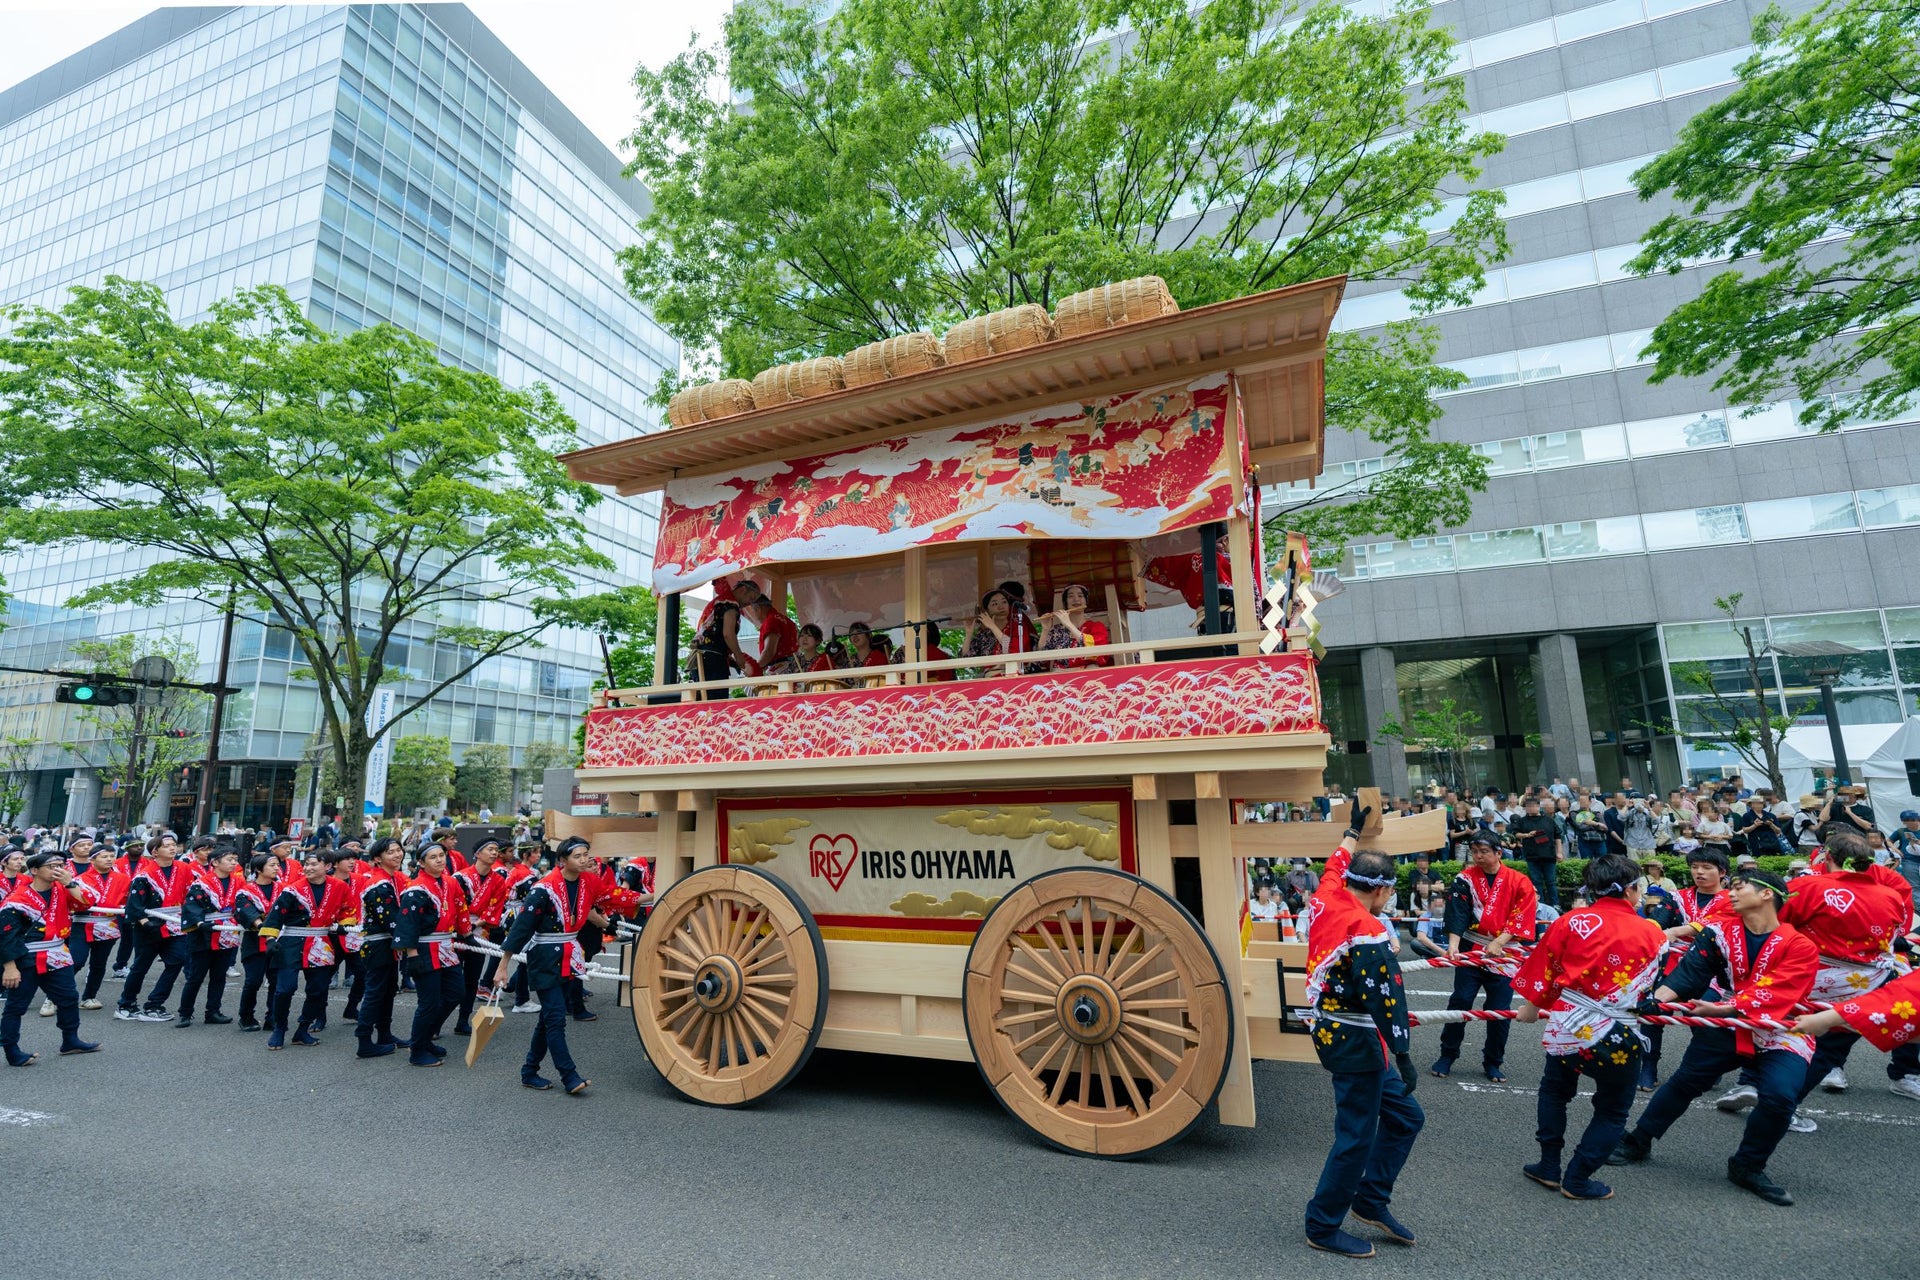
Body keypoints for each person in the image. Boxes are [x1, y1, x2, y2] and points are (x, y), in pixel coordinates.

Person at [1608, 868, 1816, 1205]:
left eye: (1740, 886)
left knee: (1779, 1097)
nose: (1731, 893)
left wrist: (1727, 1008)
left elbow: (1781, 990)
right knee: (1686, 1081)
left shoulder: (1800, 945)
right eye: (1730, 887)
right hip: (1726, 1021)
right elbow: (1691, 973)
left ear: (1767, 894)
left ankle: (1747, 1165)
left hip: (1781, 1026)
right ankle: (1638, 1140)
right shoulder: (1718, 932)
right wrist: (1656, 999)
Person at [1512, 854, 1668, 1200]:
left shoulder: (1570, 921)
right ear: (1631, 890)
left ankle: (1549, 1166)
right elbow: (1654, 985)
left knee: (1555, 1092)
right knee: (1613, 1108)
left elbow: (1547, 969)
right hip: (1619, 1032)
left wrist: (1533, 1006)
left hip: (1569, 1025)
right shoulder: (1652, 933)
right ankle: (1578, 1178)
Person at [1300, 821, 1421, 1259]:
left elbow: (1334, 864)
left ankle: (1370, 1199)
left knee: (1407, 1117)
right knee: (1355, 1135)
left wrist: (1352, 830)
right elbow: (1385, 998)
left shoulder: (1326, 897)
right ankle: (1322, 1224)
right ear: (1384, 891)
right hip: (1355, 1039)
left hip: (1341, 1027)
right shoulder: (1366, 930)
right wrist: (1404, 1054)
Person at [1773, 830, 1911, 1119]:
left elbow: (1777, 926)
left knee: (1797, 1039)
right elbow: (1895, 935)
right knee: (1827, 1045)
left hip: (1811, 977)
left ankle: (1777, 1104)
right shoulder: (1890, 895)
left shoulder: (1805, 886)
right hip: (1867, 983)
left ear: (1829, 856)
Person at [495, 837, 601, 1096]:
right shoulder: (543, 888)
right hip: (544, 957)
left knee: (548, 1018)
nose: (585, 859)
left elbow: (616, 897)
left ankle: (529, 1070)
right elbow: (522, 927)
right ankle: (569, 1075)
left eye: (586, 854)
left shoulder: (589, 882)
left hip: (569, 954)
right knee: (555, 1018)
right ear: (562, 861)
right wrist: (503, 965)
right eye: (578, 856)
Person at [1430, 831, 1538, 1083]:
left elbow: (1523, 913)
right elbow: (1457, 913)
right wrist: (1453, 947)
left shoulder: (1519, 881)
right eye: (1474, 852)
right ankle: (1447, 1054)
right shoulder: (1465, 878)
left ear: (1498, 853)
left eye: (1484, 851)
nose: (1477, 856)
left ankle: (1493, 1061)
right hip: (1471, 946)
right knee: (1460, 1001)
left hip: (1504, 951)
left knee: (1499, 1009)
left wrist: (1500, 941)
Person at [0, 850, 99, 1065]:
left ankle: (70, 1040)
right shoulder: (17, 899)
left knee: (69, 998)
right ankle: (11, 1050)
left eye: (61, 865)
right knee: (16, 1006)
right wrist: (9, 967)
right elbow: (5, 935)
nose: (58, 870)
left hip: (57, 953)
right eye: (52, 866)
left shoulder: (62, 890)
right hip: (26, 956)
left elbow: (88, 902)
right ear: (35, 870)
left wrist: (71, 883)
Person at [260, 850, 351, 1050]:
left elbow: (347, 908)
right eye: (306, 864)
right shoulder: (292, 890)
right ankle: (279, 1028)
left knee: (318, 990)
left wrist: (345, 923)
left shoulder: (340, 887)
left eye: (314, 864)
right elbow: (275, 916)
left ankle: (303, 1028)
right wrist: (270, 939)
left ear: (328, 867)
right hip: (292, 941)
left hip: (321, 941)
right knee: (285, 989)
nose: (308, 868)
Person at [395, 839, 470, 1067]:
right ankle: (417, 1050)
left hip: (446, 946)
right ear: (421, 862)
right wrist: (412, 954)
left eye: (441, 856)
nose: (439, 860)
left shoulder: (449, 882)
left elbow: (460, 908)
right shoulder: (415, 889)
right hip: (424, 948)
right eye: (433, 857)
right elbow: (407, 924)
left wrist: (466, 933)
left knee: (456, 993)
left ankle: (426, 1037)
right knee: (428, 1002)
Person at [117, 833, 193, 1022]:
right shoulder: (144, 875)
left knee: (177, 961)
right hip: (150, 924)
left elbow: (189, 892)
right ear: (155, 851)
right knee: (141, 966)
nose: (173, 848)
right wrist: (145, 923)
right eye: (167, 845)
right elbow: (134, 905)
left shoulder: (184, 868)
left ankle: (154, 1004)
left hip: (175, 923)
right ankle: (126, 1004)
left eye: (174, 844)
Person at [350, 836, 409, 1058]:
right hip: (378, 944)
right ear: (377, 858)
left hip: (388, 943)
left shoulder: (392, 879)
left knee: (387, 990)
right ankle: (364, 1040)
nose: (397, 854)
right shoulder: (378, 883)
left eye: (398, 850)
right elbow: (392, 920)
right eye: (390, 852)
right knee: (375, 992)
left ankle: (384, 1033)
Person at [175, 845, 243, 1027]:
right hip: (204, 933)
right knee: (196, 976)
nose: (234, 863)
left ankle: (213, 1011)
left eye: (235, 859)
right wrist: (199, 923)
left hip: (227, 932)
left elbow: (244, 904)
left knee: (219, 976)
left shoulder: (239, 882)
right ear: (215, 862)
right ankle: (185, 1013)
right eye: (230, 859)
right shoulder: (201, 883)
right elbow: (190, 906)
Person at [68, 838, 126, 1011]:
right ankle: (55, 995)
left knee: (99, 964)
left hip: (108, 924)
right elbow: (72, 901)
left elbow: (125, 900)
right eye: (103, 857)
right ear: (92, 860)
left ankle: (89, 997)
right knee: (76, 961)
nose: (109, 859)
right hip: (82, 924)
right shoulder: (79, 880)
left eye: (111, 856)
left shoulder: (122, 878)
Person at [232, 853, 279, 1032]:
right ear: (258, 869)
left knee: (276, 981)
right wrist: (261, 925)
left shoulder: (283, 889)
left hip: (277, 941)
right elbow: (245, 911)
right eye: (272, 865)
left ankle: (272, 1017)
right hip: (254, 941)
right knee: (253, 981)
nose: (276, 868)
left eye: (277, 865)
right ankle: (246, 1016)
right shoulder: (246, 891)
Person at [1036, 584, 1112, 668]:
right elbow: (1042, 661)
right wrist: (1045, 629)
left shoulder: (1096, 626)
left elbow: (1098, 652)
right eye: (1070, 596)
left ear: (1086, 601)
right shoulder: (1056, 630)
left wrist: (1069, 625)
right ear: (1065, 602)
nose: (1076, 599)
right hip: (1062, 677)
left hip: (1089, 675)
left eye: (1080, 596)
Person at [1510, 796, 1562, 909]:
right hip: (1532, 855)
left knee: (1551, 882)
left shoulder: (1548, 820)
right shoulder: (1522, 821)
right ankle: (1541, 905)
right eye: (1528, 806)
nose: (1531, 808)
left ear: (1538, 807)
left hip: (1549, 855)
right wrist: (1527, 835)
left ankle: (1555, 904)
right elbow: (1515, 834)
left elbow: (1558, 836)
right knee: (1536, 881)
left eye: (1533, 806)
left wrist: (1559, 852)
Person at [962, 588, 1034, 664]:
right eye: (995, 604)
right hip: (991, 675)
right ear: (987, 611)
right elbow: (966, 658)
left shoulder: (1018, 626)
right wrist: (969, 634)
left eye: (1004, 602)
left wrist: (993, 627)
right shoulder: (984, 635)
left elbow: (1013, 649)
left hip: (1015, 673)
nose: (1001, 607)